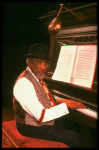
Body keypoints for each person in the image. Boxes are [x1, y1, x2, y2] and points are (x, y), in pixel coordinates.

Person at [13, 43, 86, 148]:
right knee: (75, 139)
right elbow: (41, 116)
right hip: (29, 126)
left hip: (38, 120)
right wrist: (66, 106)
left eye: (46, 63)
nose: (43, 67)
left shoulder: (37, 76)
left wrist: (61, 101)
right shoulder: (24, 83)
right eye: (39, 62)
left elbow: (43, 96)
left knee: (74, 126)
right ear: (29, 63)